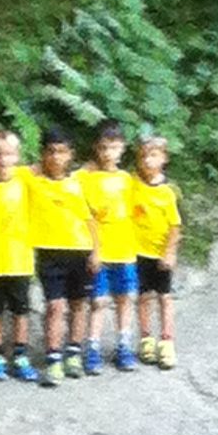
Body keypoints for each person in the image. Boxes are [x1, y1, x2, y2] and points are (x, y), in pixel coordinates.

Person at [26, 126, 98, 387]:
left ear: (71, 154)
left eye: (62, 152)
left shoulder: (78, 183)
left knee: (78, 304)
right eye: (51, 152)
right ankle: (53, 358)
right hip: (49, 252)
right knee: (54, 306)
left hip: (80, 250)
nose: (56, 157)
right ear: (43, 154)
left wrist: (96, 251)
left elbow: (90, 220)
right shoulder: (31, 180)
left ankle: (74, 353)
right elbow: (1, 172)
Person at [0, 128, 39, 383]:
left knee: (21, 310)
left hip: (20, 259)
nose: (3, 160)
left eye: (9, 154)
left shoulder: (25, 179)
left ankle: (21, 355)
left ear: (18, 155)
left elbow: (50, 171)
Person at [76, 119, 140, 372]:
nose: (108, 153)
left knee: (126, 298)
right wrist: (94, 250)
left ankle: (123, 345)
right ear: (96, 148)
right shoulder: (86, 177)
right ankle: (92, 347)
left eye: (113, 147)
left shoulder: (128, 179)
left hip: (125, 249)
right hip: (100, 250)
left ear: (122, 148)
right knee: (98, 301)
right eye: (103, 147)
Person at [129, 132, 182, 371]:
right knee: (142, 296)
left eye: (153, 155)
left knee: (164, 297)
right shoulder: (132, 183)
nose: (148, 161)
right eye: (143, 156)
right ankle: (146, 338)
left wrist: (169, 252)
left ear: (164, 158)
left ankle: (167, 341)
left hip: (160, 253)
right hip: (137, 251)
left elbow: (175, 226)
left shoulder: (168, 191)